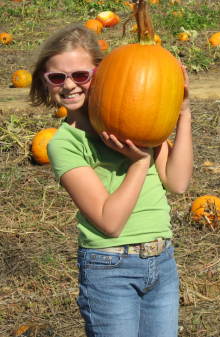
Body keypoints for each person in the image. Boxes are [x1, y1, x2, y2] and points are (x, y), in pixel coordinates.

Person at [30, 24, 193, 337]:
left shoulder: (137, 122)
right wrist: (139, 162)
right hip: (110, 268)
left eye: (80, 75)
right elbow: (110, 221)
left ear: (101, 74)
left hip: (162, 262)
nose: (69, 85)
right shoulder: (65, 144)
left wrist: (183, 113)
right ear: (45, 82)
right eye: (57, 77)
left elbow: (177, 182)